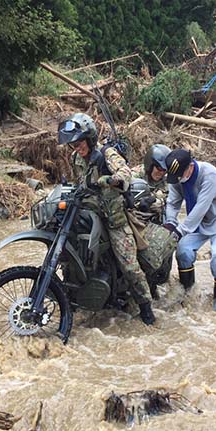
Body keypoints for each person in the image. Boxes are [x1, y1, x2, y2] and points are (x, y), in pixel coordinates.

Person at [58, 113, 156, 325]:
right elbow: (79, 184)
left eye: (80, 142)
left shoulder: (106, 154)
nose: (78, 147)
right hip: (89, 214)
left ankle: (146, 308)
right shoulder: (76, 159)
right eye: (74, 144)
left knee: (129, 266)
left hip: (114, 218)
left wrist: (110, 180)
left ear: (90, 139)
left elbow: (125, 173)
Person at [163, 148, 216, 310]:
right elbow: (172, 202)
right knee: (183, 251)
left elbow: (201, 208)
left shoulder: (209, 175)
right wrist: (170, 222)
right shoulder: (178, 179)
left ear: (190, 167)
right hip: (198, 222)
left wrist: (179, 231)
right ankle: (188, 296)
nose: (178, 180)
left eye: (180, 176)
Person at [131, 144, 170, 224]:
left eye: (164, 170)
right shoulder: (134, 176)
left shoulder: (167, 180)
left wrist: (155, 202)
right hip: (135, 218)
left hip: (157, 220)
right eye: (159, 169)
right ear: (150, 164)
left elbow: (170, 200)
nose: (161, 173)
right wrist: (140, 203)